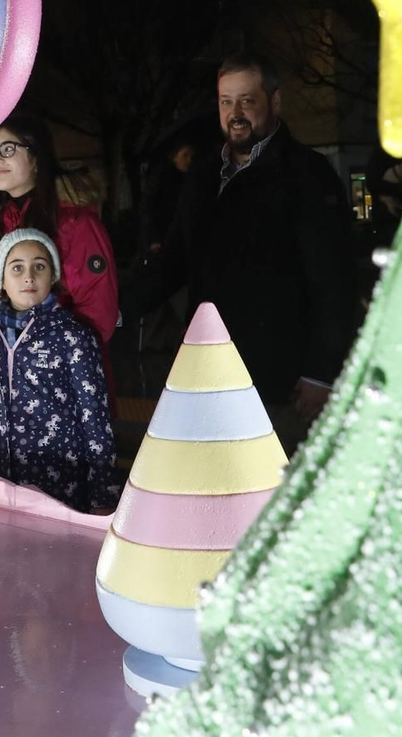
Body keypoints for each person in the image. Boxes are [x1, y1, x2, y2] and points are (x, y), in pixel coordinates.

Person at [136, 53, 354, 450]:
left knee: (278, 499)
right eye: (225, 101)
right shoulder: (202, 177)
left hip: (279, 385)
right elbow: (174, 263)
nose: (235, 113)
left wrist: (321, 374)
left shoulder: (306, 174)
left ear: (275, 101)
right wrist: (110, 308)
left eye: (247, 100)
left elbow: (334, 283)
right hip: (210, 375)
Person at [0, 228, 118, 513]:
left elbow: (95, 420)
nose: (28, 276)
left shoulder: (74, 337)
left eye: (39, 266)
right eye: (17, 268)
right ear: (1, 279)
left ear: (54, 275)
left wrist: (103, 497)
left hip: (60, 488)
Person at [0, 113, 119, 356]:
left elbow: (99, 314)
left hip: (65, 371)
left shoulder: (76, 223)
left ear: (36, 157)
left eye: (8, 149)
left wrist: (49, 358)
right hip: (10, 372)